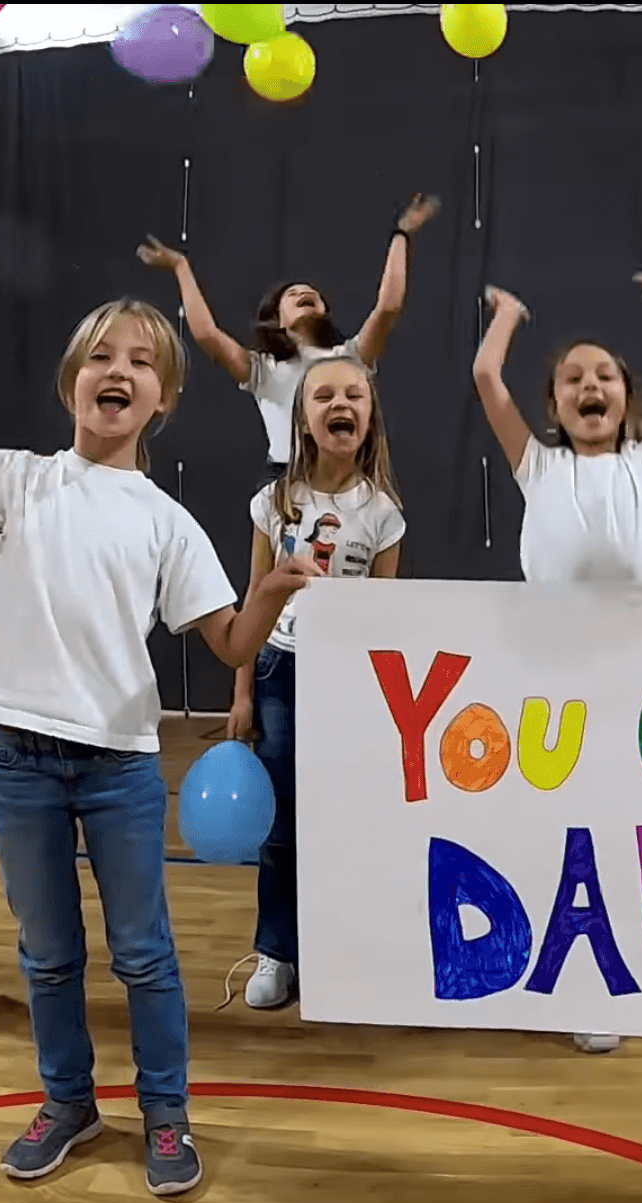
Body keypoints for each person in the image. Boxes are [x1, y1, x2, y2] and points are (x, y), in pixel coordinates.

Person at [0, 301, 316, 1197]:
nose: (118, 370)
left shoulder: (165, 520)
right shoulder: (21, 479)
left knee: (144, 952)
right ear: (72, 381)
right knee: (48, 953)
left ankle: (166, 1116)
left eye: (140, 363)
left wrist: (267, 593)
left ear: (164, 399)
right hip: (18, 761)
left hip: (118, 768)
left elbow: (229, 642)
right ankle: (68, 1103)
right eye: (99, 356)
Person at [472, 268, 642, 1050]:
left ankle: (628, 964)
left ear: (624, 394)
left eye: (604, 375)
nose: (590, 385)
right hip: (552, 683)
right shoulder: (537, 466)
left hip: (638, 685)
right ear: (554, 407)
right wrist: (507, 313)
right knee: (564, 832)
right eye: (573, 378)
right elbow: (484, 375)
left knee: (630, 828)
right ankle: (569, 969)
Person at [228, 356, 407, 1010]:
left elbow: (384, 617)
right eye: (324, 394)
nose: (342, 403)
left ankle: (340, 946)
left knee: (344, 820)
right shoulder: (275, 503)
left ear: (368, 415)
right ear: (302, 418)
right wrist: (243, 691)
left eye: (354, 394)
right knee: (281, 822)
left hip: (349, 682)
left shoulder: (383, 513)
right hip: (281, 669)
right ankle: (278, 949)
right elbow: (254, 597)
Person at [137, 194, 440, 481]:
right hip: (285, 480)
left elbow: (388, 307)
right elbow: (207, 334)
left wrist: (402, 234)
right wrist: (180, 267)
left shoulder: (350, 358)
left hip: (345, 478)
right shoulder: (264, 369)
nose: (304, 293)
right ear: (278, 321)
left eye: (312, 293)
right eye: (292, 294)